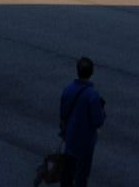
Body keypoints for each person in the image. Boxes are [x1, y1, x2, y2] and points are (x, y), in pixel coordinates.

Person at [58, 57, 106, 187]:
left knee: (67, 173)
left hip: (70, 138)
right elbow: (98, 121)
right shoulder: (92, 96)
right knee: (82, 175)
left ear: (77, 71)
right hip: (85, 142)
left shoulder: (68, 89)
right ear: (91, 73)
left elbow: (62, 114)